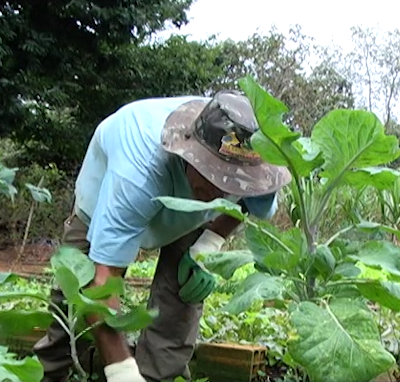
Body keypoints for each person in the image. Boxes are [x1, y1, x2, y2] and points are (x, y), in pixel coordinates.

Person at [33, 90, 292, 382]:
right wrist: (123, 373)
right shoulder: (137, 172)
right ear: (190, 153)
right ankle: (51, 374)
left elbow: (245, 203)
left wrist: (208, 244)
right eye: (211, 174)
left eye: (230, 182)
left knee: (182, 294)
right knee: (75, 297)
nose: (219, 189)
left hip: (190, 209)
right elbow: (103, 281)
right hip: (105, 198)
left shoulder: (257, 167)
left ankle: (157, 376)